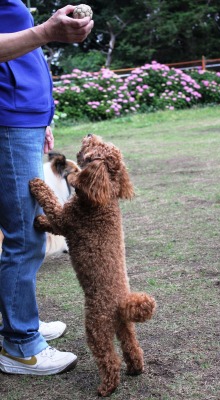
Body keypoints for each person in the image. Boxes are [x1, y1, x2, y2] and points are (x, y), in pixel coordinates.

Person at [0, 1, 93, 375]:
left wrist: (42, 117)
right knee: (25, 234)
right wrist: (46, 31)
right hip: (8, 120)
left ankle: (17, 323)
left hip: (23, 119)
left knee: (25, 230)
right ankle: (20, 345)